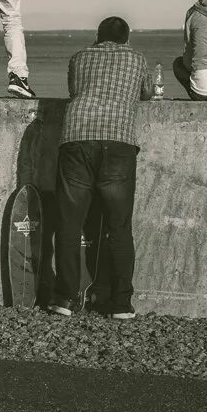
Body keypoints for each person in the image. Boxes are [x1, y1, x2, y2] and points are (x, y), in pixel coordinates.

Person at [48, 17, 157, 321]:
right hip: (118, 141)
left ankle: (65, 299)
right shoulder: (137, 58)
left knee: (69, 225)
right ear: (127, 39)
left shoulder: (79, 57)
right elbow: (145, 94)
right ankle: (121, 303)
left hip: (77, 137)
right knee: (119, 227)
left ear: (98, 37)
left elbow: (74, 90)